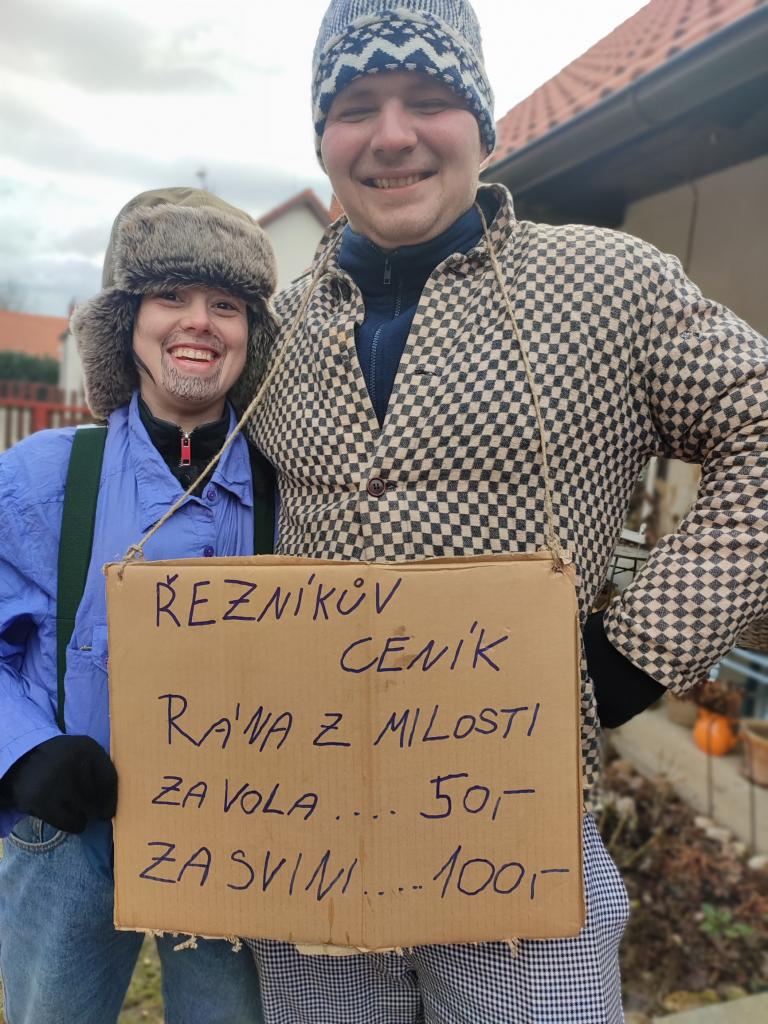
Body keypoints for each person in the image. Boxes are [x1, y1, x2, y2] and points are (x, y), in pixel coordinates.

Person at [244, 2, 768, 1022]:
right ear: (322, 138)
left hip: (514, 832)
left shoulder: (607, 286)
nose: (392, 134)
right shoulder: (278, 325)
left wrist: (638, 651)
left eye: (428, 98)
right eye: (356, 106)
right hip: (311, 836)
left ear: (482, 125)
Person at [0, 187, 276, 1024]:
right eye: (170, 295)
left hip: (241, 838)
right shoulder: (45, 476)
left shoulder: (287, 493)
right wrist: (23, 750)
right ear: (126, 322)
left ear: (251, 334)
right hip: (67, 837)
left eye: (225, 304)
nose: (198, 322)